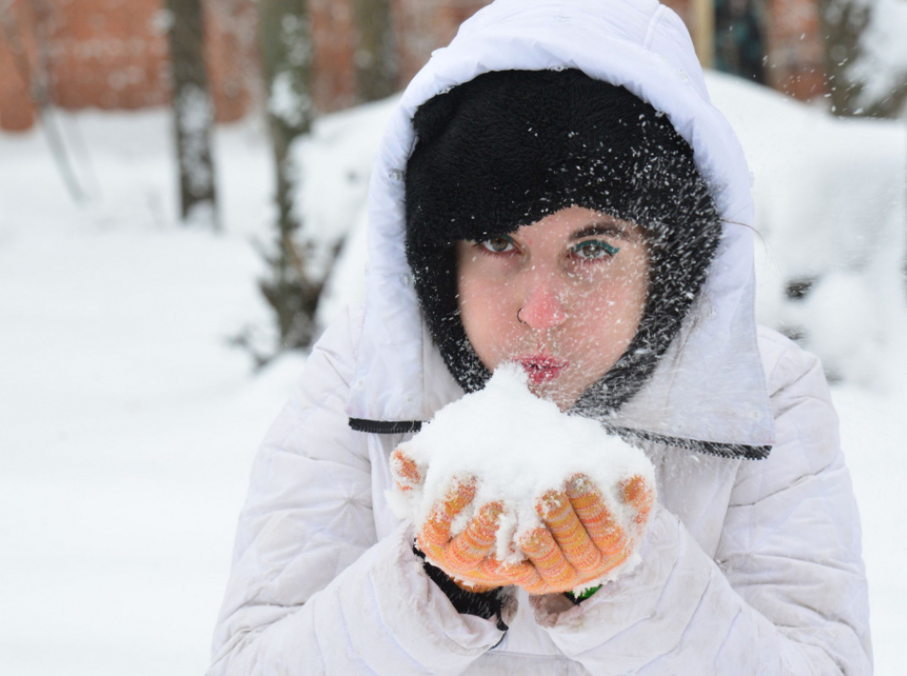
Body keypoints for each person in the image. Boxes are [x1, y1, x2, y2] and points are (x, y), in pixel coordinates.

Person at [208, 0, 872, 674]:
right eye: (499, 241)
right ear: (444, 262)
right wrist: (437, 587)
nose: (543, 311)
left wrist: (617, 582)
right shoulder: (365, 371)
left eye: (593, 247)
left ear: (664, 262)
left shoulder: (766, 393)